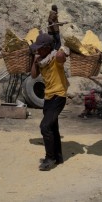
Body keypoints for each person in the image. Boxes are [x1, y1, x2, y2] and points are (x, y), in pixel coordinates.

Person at [30, 33, 69, 171]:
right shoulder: (42, 60)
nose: (38, 50)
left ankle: (49, 158)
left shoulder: (54, 58)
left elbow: (61, 57)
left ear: (47, 47)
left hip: (59, 96)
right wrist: (35, 60)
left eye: (40, 48)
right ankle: (58, 157)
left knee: (45, 127)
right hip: (48, 97)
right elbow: (34, 75)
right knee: (53, 128)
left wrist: (63, 51)